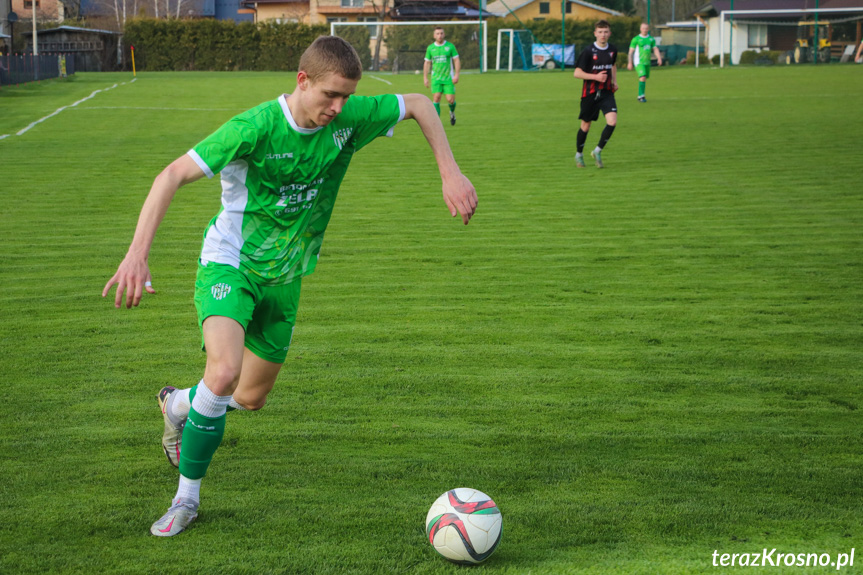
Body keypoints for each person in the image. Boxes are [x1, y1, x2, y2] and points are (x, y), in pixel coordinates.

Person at [102, 35, 478, 538]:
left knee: (250, 397)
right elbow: (170, 175)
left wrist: (448, 172)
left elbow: (417, 105)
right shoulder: (254, 128)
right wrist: (136, 253)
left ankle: (177, 405)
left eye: (347, 96)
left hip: (287, 275)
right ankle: (185, 499)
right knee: (225, 370)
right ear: (303, 81)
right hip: (231, 264)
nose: (339, 107)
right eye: (330, 95)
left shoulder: (347, 118)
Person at [573, 20, 619, 169]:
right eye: (600, 32)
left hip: (606, 92)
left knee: (612, 121)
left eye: (605, 32)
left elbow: (612, 65)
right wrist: (596, 77)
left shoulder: (612, 49)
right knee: (586, 126)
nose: (603, 35)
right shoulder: (588, 51)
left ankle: (597, 151)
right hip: (590, 93)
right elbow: (577, 73)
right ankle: (579, 155)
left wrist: (614, 82)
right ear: (595, 34)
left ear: (609, 33)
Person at [423, 27, 460, 126]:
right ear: (434, 35)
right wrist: (425, 78)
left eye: (441, 33)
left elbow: (456, 60)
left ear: (444, 34)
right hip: (436, 78)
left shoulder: (450, 46)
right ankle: (436, 121)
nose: (440, 35)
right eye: (438, 34)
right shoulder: (430, 48)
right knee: (436, 98)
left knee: (450, 100)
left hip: (448, 78)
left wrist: (456, 75)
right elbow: (427, 63)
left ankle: (452, 113)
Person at [628, 22, 662, 103]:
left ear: (648, 29)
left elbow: (655, 49)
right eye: (643, 28)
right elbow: (630, 52)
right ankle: (641, 96)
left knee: (644, 78)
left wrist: (659, 58)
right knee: (642, 77)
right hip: (638, 62)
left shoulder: (651, 39)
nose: (645, 30)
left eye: (646, 28)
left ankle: (640, 95)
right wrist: (630, 62)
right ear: (640, 29)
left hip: (647, 62)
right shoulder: (636, 39)